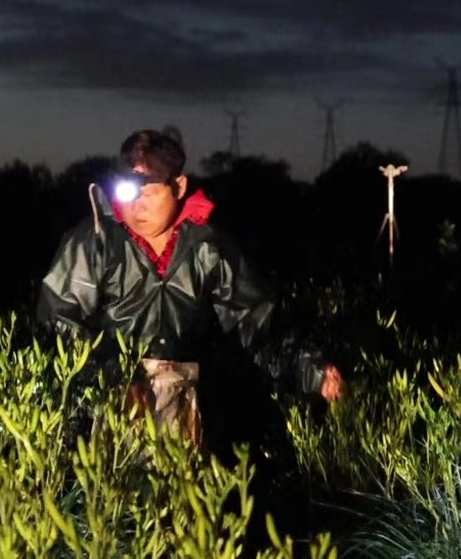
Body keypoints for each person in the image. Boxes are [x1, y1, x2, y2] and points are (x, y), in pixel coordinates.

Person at [37, 129, 341, 448]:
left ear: (178, 186)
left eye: (149, 192)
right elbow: (59, 323)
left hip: (190, 410)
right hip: (107, 414)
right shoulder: (94, 242)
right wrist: (113, 376)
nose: (137, 205)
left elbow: (257, 324)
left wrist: (314, 371)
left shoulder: (206, 247)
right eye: (128, 192)